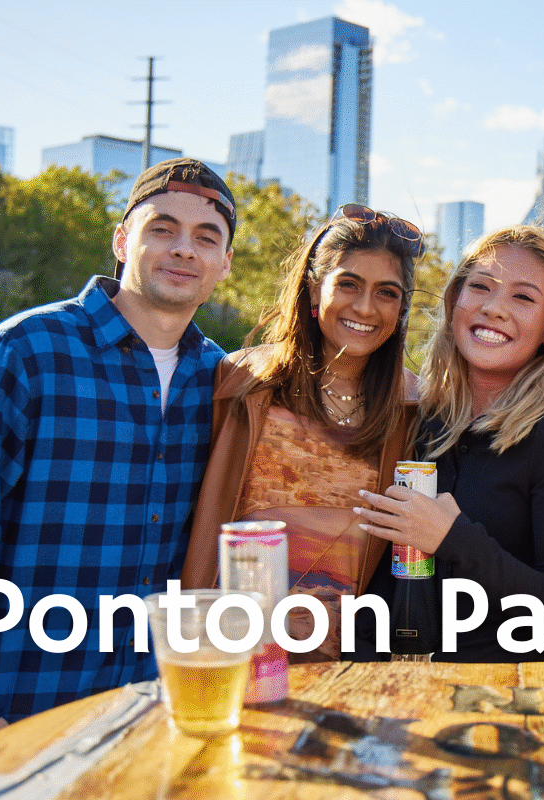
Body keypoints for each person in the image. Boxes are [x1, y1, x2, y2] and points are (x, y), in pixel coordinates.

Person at [0, 158, 236, 748]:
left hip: (150, 730)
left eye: (206, 237)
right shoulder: (22, 355)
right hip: (14, 725)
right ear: (122, 240)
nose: (184, 249)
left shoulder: (225, 383)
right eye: (162, 228)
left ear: (225, 263)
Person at [180, 204, 421, 661]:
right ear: (315, 290)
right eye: (348, 284)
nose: (365, 307)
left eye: (387, 293)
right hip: (234, 658)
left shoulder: (415, 409)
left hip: (353, 670)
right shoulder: (241, 382)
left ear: (401, 309)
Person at [355, 226, 544, 661]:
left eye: (523, 297)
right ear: (454, 305)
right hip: (409, 699)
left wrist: (452, 537)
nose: (493, 308)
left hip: (512, 702)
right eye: (480, 287)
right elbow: (383, 577)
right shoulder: (419, 419)